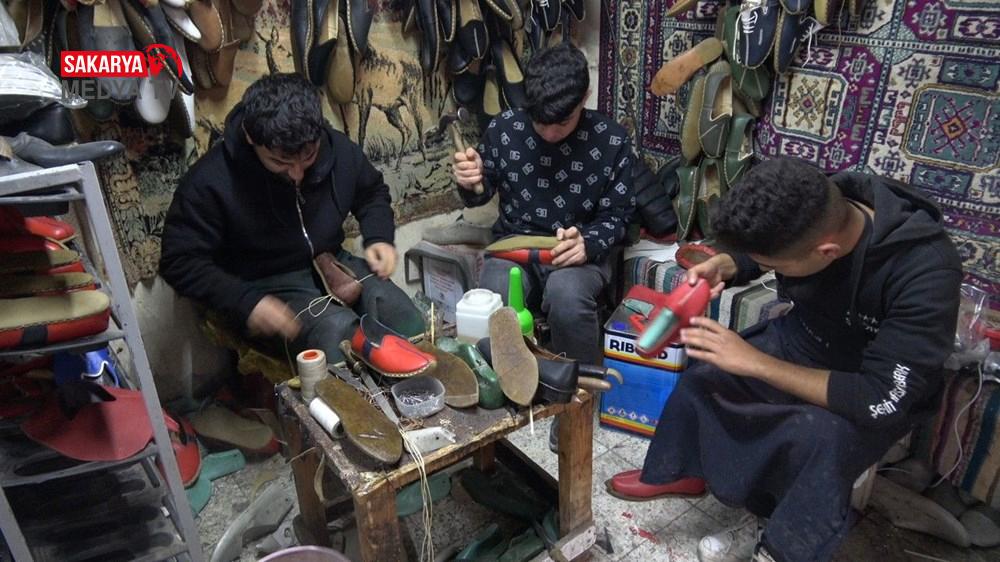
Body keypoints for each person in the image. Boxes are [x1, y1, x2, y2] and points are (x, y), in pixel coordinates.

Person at [607, 157, 963, 562]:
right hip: (805, 338)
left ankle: (778, 546)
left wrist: (756, 363)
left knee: (818, 441)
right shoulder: (813, 200)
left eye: (773, 267)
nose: (768, 270)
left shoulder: (926, 271)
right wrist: (728, 263)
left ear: (827, 251)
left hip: (870, 380)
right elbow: (769, 250)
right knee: (704, 376)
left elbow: (880, 396)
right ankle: (684, 472)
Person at [160, 73, 423, 364]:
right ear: (250, 137)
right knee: (338, 336)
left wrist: (379, 237)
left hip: (332, 261)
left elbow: (371, 192)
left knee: (403, 317)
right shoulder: (211, 180)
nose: (297, 174)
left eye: (308, 158)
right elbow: (178, 261)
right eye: (279, 162)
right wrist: (247, 301)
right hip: (263, 283)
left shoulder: (335, 148)